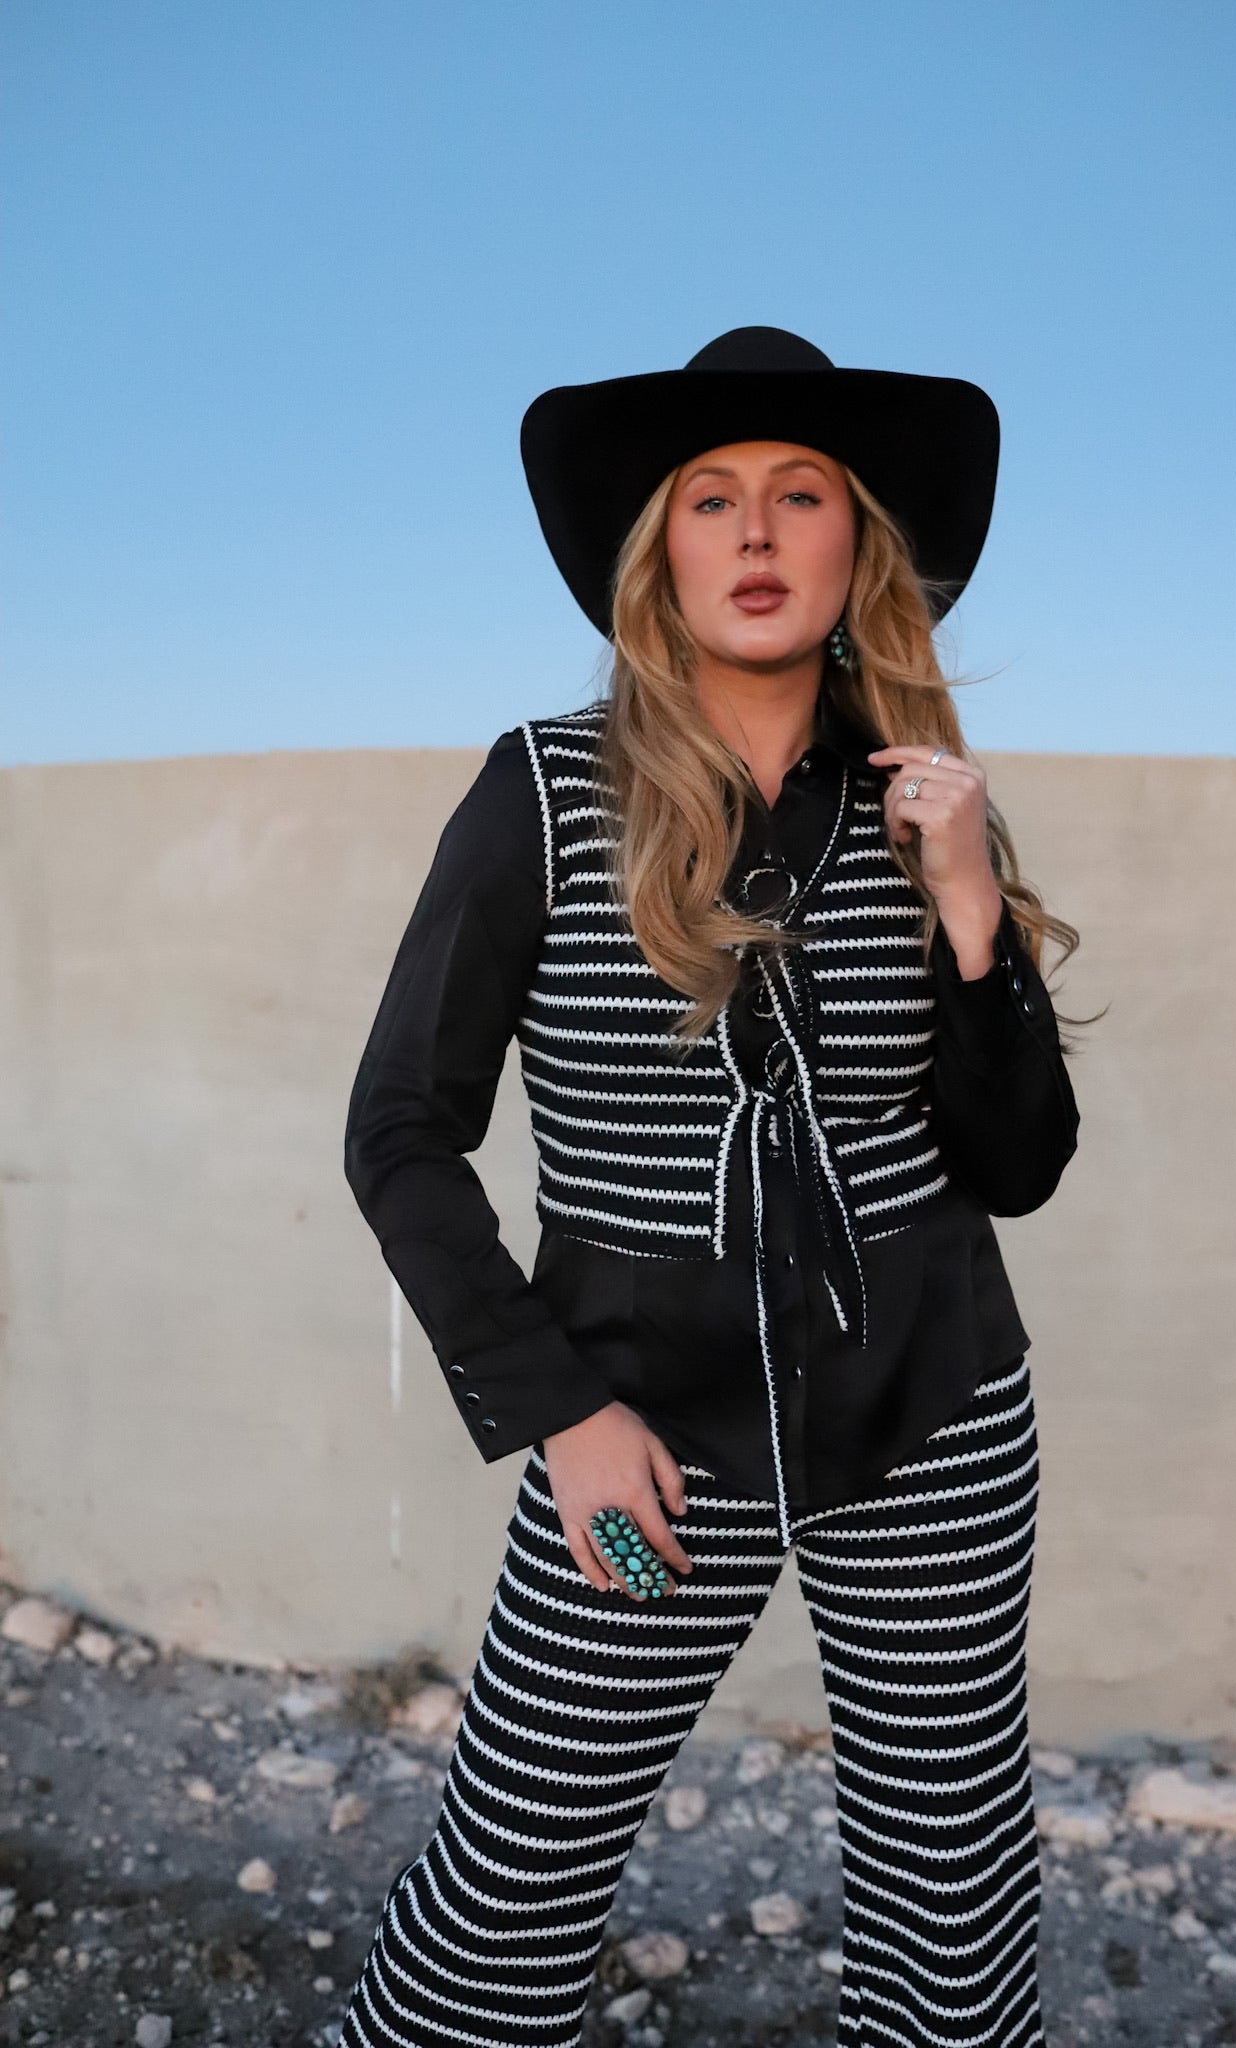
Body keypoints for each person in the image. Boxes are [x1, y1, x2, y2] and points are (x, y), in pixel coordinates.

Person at [336, 326, 1088, 2048]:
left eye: (799, 495)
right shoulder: (543, 788)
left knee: (953, 1885)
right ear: (658, 559)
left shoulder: (928, 810)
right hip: (640, 1422)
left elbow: (1020, 1166)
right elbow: (398, 1134)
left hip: (934, 1405)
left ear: (855, 551)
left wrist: (970, 915)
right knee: (512, 1875)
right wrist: (558, 1411)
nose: (754, 531)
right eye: (710, 499)